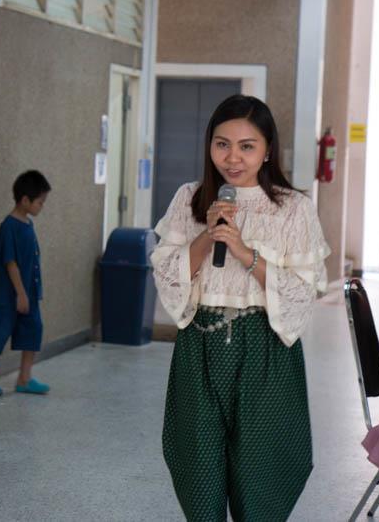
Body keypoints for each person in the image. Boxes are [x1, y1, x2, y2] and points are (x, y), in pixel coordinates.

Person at [151, 95, 329, 521]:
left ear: (267, 150)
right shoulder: (189, 198)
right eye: (222, 144)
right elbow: (167, 271)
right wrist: (207, 236)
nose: (233, 158)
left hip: (265, 347)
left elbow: (306, 288)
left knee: (263, 469)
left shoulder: (293, 208)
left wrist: (245, 252)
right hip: (201, 345)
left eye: (247, 146)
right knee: (197, 462)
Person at [0, 170, 51, 397]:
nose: (42, 206)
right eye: (40, 202)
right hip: (7, 294)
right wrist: (20, 293)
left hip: (28, 292)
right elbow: (10, 262)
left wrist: (29, 292)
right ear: (25, 200)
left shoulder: (28, 224)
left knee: (33, 330)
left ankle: (24, 378)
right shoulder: (8, 226)